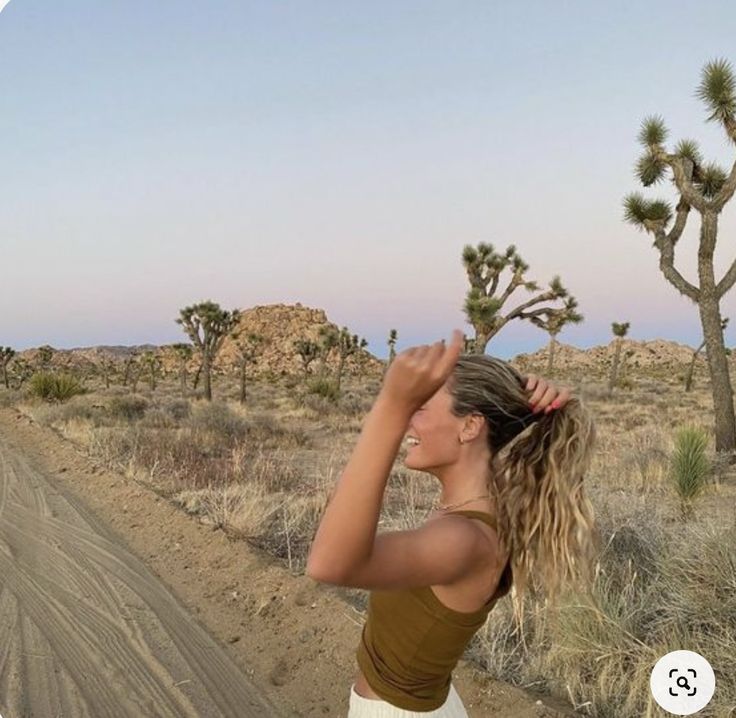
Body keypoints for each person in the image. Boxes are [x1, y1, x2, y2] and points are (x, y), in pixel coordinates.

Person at [306, 330, 598, 717]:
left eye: (421, 407)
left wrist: (392, 407)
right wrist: (533, 404)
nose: (410, 421)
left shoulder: (462, 538)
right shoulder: (479, 512)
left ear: (470, 426)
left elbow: (329, 564)